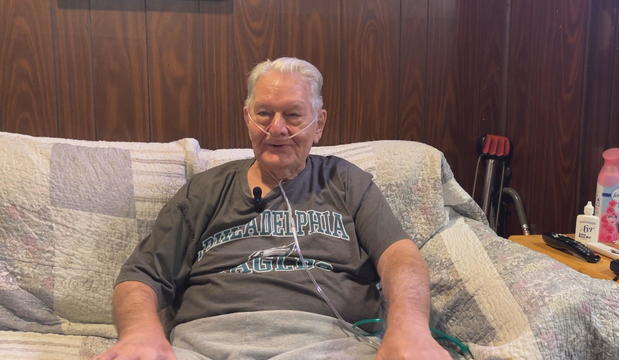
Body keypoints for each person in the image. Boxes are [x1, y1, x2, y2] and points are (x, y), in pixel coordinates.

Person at [93, 57, 451, 360]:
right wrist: (141, 331)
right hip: (208, 343)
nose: (276, 129)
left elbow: (398, 256)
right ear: (247, 117)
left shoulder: (346, 182)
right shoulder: (204, 191)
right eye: (263, 114)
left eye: (293, 115)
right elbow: (142, 275)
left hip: (329, 343)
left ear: (319, 123)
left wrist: (409, 327)